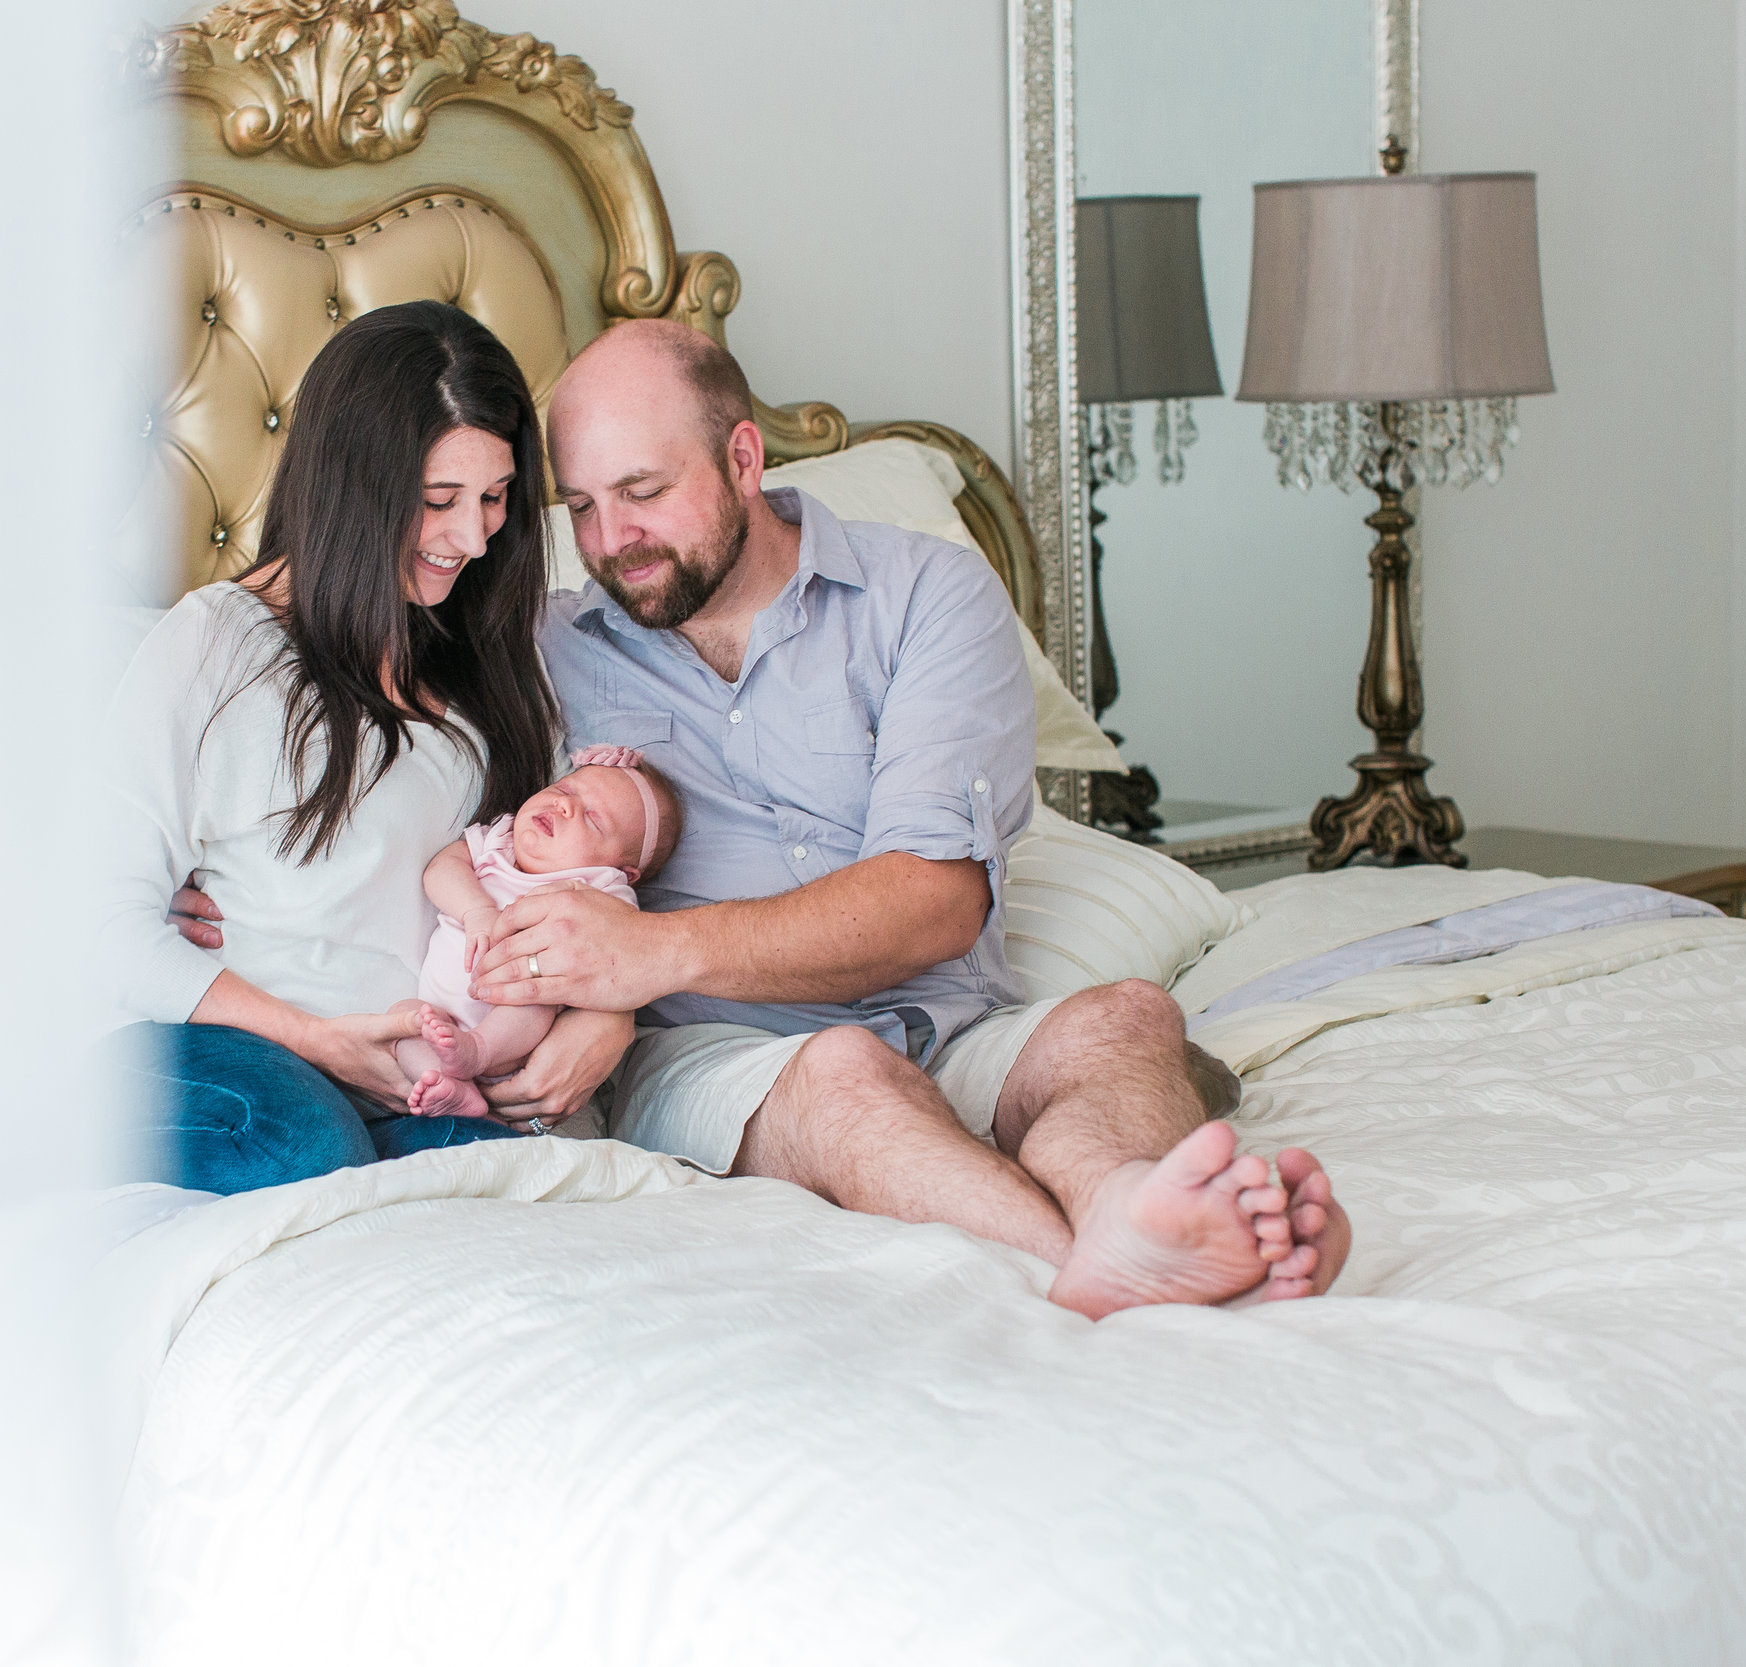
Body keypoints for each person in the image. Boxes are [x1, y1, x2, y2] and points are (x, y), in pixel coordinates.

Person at [462, 319, 1353, 1315]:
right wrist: (609, 992)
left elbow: (932, 902)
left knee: (1130, 1013)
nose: (605, 541)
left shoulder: (926, 595)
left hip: (946, 1024)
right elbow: (356, 657)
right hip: (724, 1062)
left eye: (642, 492)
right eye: (579, 505)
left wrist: (644, 955)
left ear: (743, 457)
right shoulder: (544, 651)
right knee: (844, 1075)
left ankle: (1122, 1198)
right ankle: (1118, 1260)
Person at [99, 299, 632, 1194]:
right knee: (309, 1148)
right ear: (354, 486)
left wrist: (608, 1016)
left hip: (417, 1081)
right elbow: (99, 928)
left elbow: (559, 879)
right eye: (437, 502)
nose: (471, 538)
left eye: (495, 497)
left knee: (524, 1185)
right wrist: (316, 1041)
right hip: (252, 1051)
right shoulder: (212, 647)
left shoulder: (492, 662)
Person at [389, 747, 682, 1119]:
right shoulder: (498, 840)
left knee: (537, 993)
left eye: (593, 819)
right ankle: (448, 1086)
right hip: (441, 1019)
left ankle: (478, 1051)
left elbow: (621, 955)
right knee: (404, 1018)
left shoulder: (601, 887)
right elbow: (440, 869)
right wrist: (475, 909)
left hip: (519, 1039)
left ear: (623, 871)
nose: (565, 807)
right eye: (564, 790)